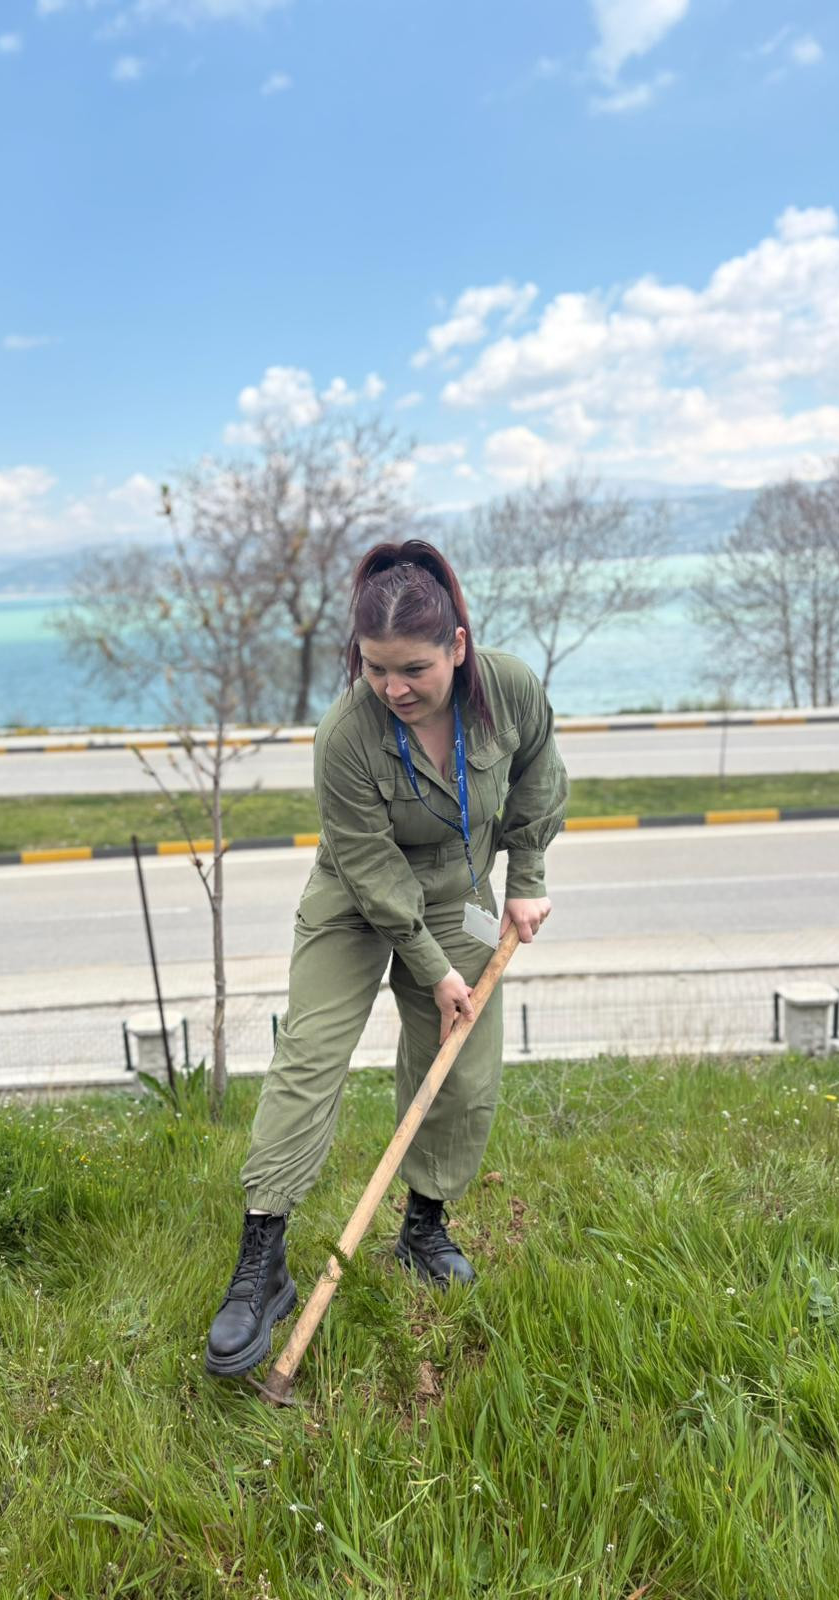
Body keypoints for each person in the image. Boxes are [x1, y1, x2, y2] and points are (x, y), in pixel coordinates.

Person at [204, 539, 569, 1378]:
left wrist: (527, 878)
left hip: (457, 887)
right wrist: (434, 968)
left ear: (458, 647)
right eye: (375, 669)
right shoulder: (345, 736)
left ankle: (423, 1228)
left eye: (413, 669)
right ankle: (263, 1259)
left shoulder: (510, 690)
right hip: (356, 892)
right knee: (309, 1053)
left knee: (461, 1059)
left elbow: (540, 773)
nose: (394, 688)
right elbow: (368, 865)